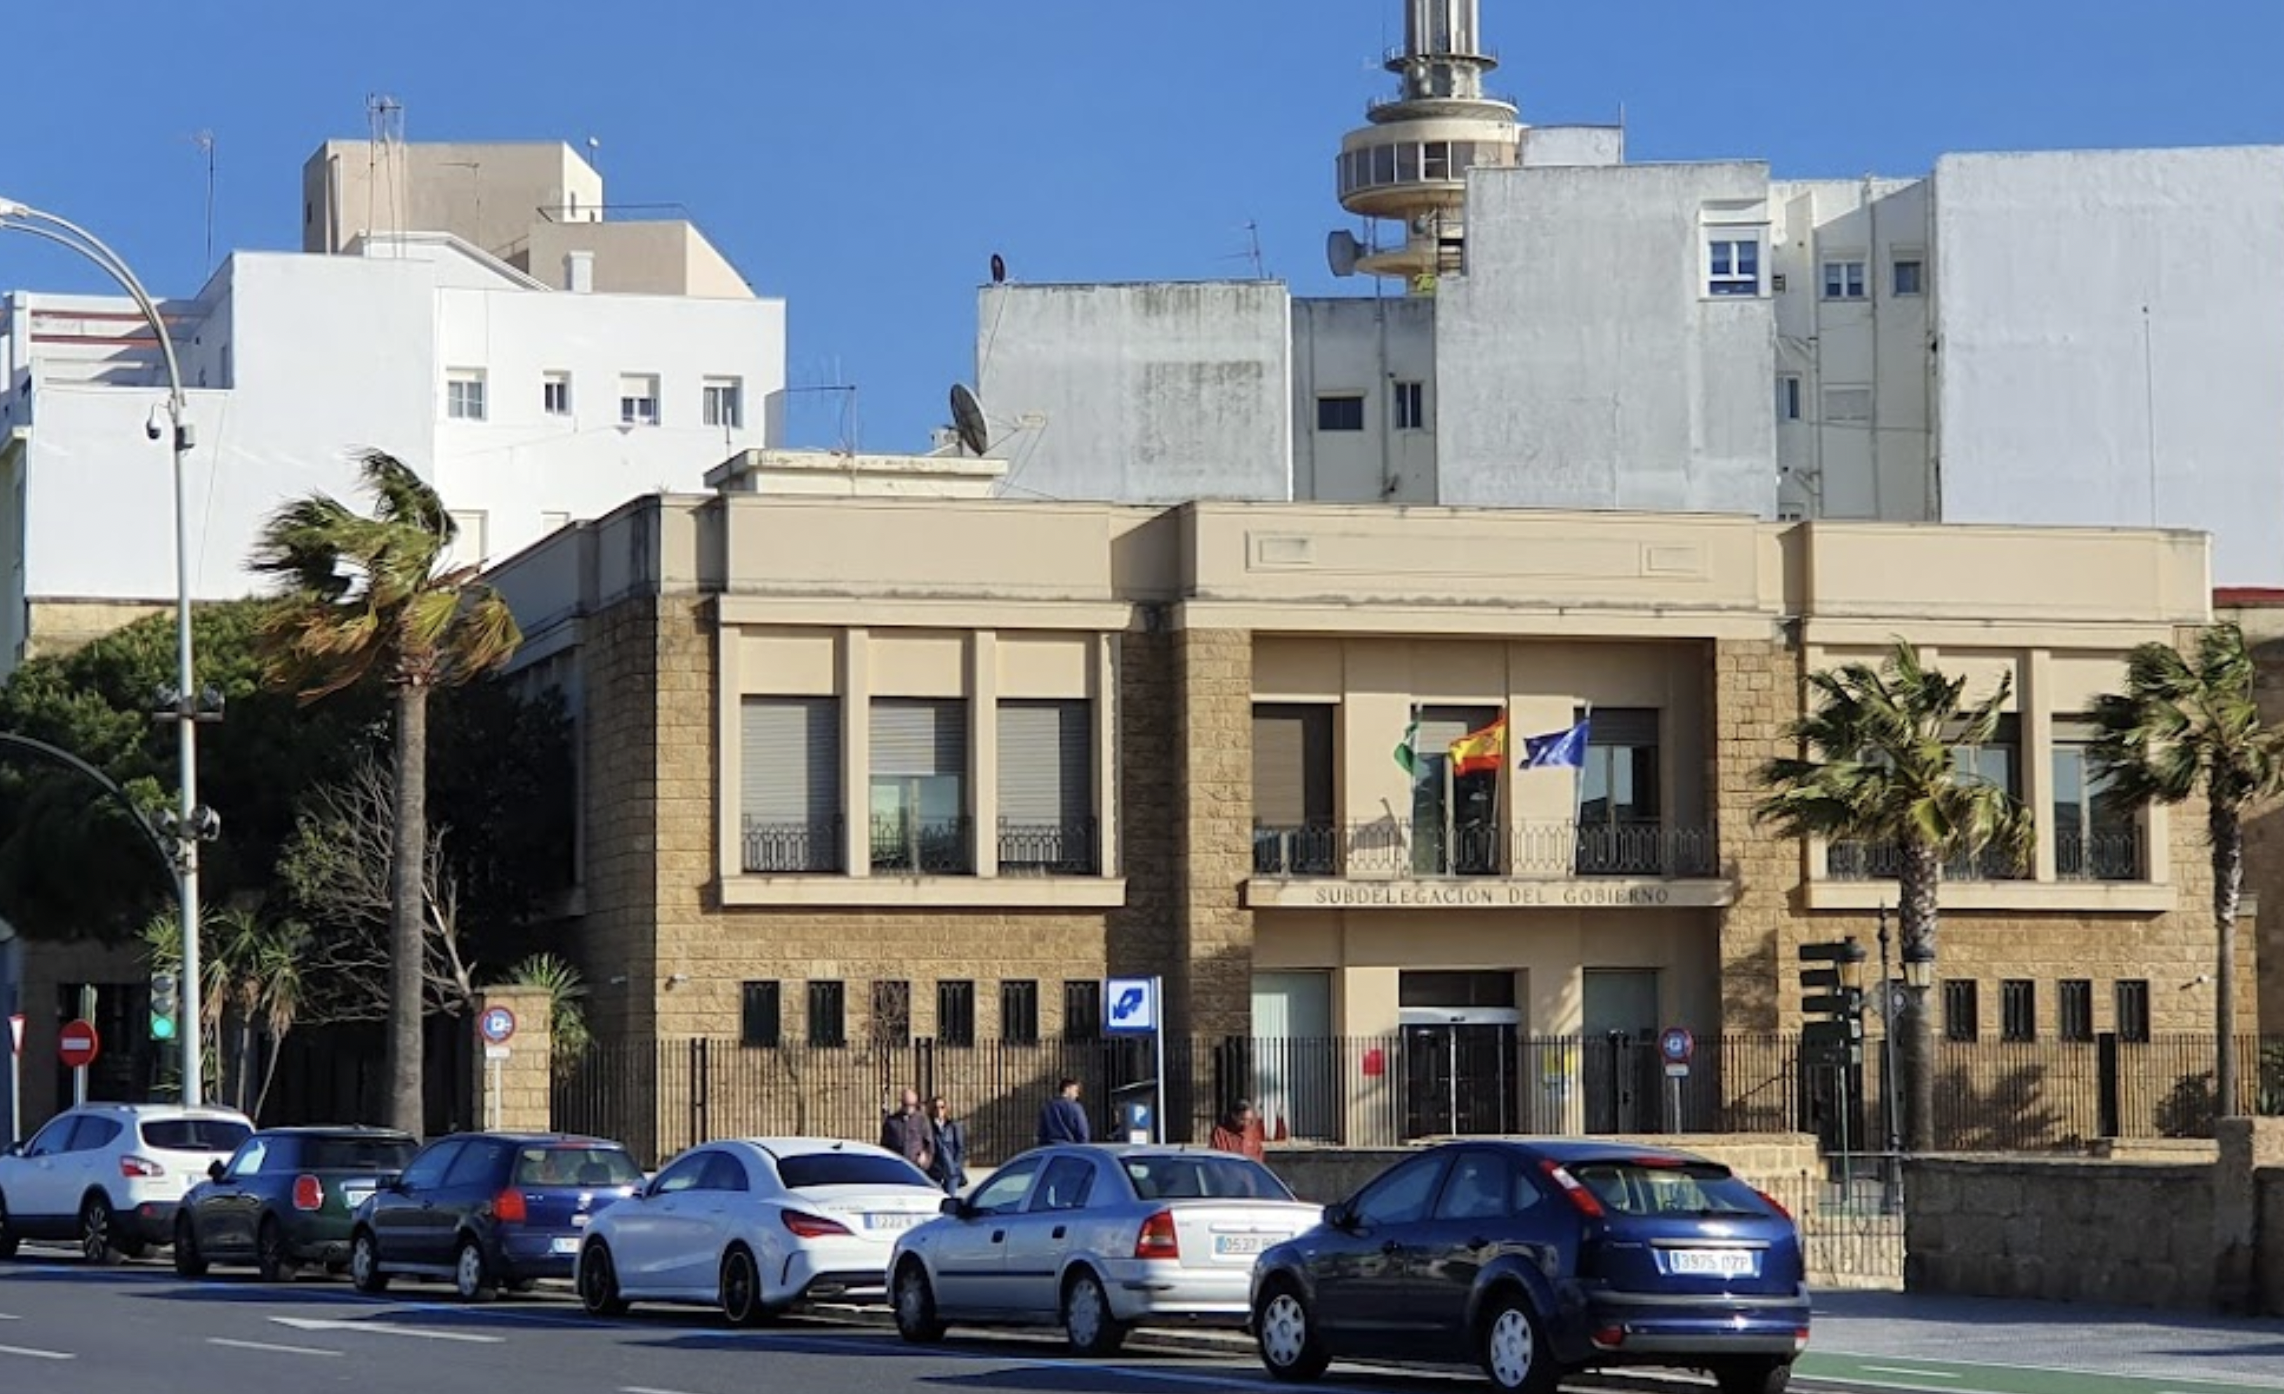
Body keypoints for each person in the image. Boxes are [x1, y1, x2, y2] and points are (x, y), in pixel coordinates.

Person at [880, 1087, 934, 1174]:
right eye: (906, 1104)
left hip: (916, 1167)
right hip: (897, 1167)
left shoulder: (922, 1120)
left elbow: (929, 1145)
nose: (909, 1108)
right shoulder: (892, 1121)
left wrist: (925, 1159)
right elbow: (884, 1145)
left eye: (912, 1105)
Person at [927, 1095, 968, 1196]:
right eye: (936, 1108)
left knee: (949, 1199)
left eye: (942, 1107)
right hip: (935, 1171)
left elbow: (960, 1148)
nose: (939, 1110)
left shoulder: (953, 1126)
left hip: (951, 1171)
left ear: (946, 1109)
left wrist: (956, 1166)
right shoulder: (928, 1126)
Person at [1036, 1077, 1090, 1146]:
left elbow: (1042, 1133)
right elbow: (1083, 1133)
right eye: (1076, 1091)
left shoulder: (1047, 1107)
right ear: (1067, 1089)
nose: (1077, 1095)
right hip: (1070, 1150)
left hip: (1050, 1149)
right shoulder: (1076, 1108)